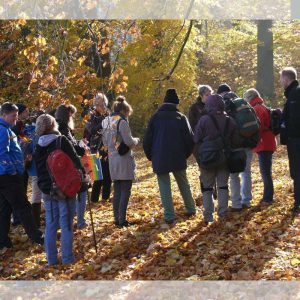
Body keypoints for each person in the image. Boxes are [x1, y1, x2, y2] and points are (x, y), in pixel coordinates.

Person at [34, 114, 85, 265]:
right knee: (66, 222)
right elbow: (76, 161)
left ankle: (51, 260)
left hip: (47, 190)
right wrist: (83, 177)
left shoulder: (38, 145)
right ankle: (67, 258)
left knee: (50, 224)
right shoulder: (61, 141)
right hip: (64, 188)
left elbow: (39, 170)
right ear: (53, 125)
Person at [143, 88, 196, 224]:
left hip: (160, 157)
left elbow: (147, 140)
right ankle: (191, 208)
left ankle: (169, 215)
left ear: (164, 102)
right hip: (178, 156)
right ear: (176, 104)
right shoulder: (181, 117)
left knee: (164, 186)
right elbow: (190, 140)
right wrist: (185, 154)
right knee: (183, 183)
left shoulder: (155, 118)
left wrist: (151, 156)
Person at [0, 102, 43, 250]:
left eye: (17, 116)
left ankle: (3, 241)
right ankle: (37, 237)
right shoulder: (3, 131)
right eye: (13, 116)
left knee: (5, 208)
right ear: (4, 115)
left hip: (6, 176)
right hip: (8, 177)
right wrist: (11, 169)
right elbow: (2, 154)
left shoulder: (7, 129)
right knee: (23, 207)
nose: (16, 119)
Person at [194, 95, 239, 224]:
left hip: (207, 159)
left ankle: (208, 216)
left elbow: (196, 139)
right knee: (223, 186)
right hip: (224, 157)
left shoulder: (204, 120)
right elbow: (235, 140)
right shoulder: (229, 120)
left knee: (207, 188)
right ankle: (223, 213)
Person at [102, 96, 139, 227]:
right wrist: (136, 140)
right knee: (125, 190)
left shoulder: (106, 121)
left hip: (112, 158)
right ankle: (122, 220)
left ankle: (116, 218)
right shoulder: (122, 122)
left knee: (117, 190)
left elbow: (105, 142)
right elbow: (129, 141)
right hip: (123, 159)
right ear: (124, 110)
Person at [217, 85, 255, 211]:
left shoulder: (226, 106)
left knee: (234, 175)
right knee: (247, 173)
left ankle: (236, 204)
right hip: (248, 143)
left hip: (235, 146)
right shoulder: (242, 103)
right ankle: (247, 200)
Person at [55, 104, 89, 229]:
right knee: (81, 191)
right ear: (68, 115)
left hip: (59, 167)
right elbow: (73, 149)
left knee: (66, 195)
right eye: (71, 115)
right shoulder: (64, 129)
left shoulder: (55, 128)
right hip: (70, 166)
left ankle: (64, 222)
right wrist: (82, 148)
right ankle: (80, 221)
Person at [244, 88, 277, 205]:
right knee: (266, 171)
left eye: (246, 98)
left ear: (250, 98)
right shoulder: (262, 106)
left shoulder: (256, 109)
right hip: (268, 141)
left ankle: (268, 198)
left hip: (264, 143)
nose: (245, 101)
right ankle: (267, 196)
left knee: (265, 172)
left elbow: (258, 126)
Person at [84, 92, 112, 203]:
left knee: (108, 176)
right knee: (98, 177)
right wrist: (102, 122)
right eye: (101, 105)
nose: (103, 107)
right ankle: (94, 200)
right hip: (95, 149)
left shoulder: (107, 114)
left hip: (106, 148)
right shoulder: (91, 116)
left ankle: (105, 198)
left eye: (104, 104)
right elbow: (91, 130)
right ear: (96, 105)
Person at [280, 67, 300, 214]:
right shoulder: (293, 94)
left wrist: (287, 132)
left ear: (286, 79)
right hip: (295, 139)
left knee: (297, 171)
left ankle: (298, 203)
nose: (280, 82)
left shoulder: (295, 95)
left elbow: (294, 120)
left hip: (296, 140)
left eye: (281, 79)